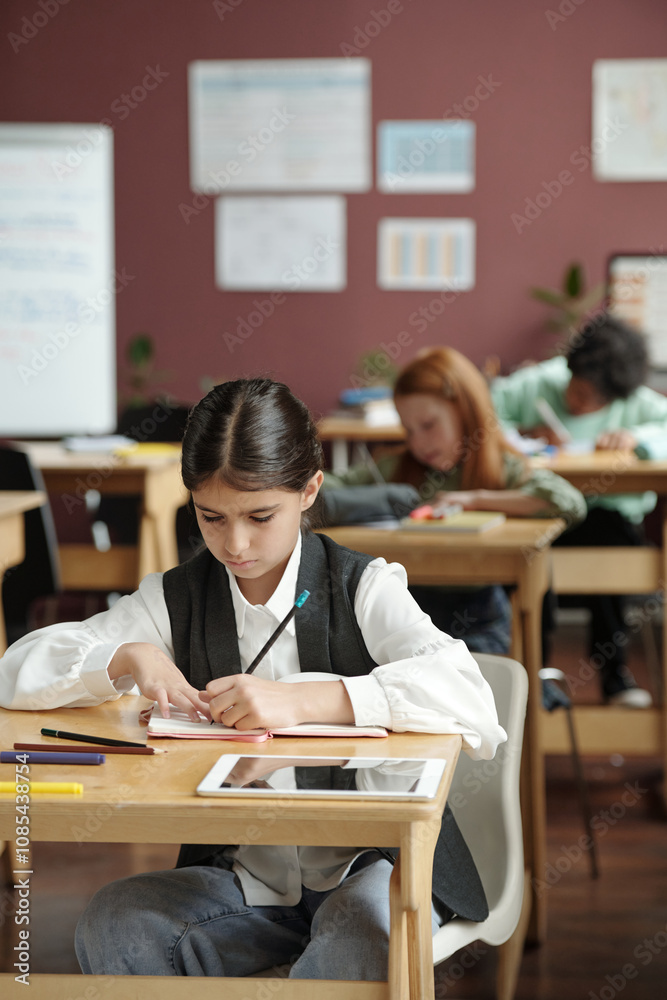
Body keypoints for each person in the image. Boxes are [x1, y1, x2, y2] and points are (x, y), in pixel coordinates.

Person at [0, 377, 507, 982]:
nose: (234, 544)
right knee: (116, 922)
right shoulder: (177, 596)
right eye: (211, 516)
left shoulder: (362, 586)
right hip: (245, 876)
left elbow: (468, 693)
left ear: (309, 489)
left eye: (260, 516)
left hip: (368, 864)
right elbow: (16, 671)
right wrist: (126, 657)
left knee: (364, 940)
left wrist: (304, 700)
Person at [324, 347, 586, 655]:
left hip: (478, 616)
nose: (418, 443)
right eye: (408, 431)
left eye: (429, 425)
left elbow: (568, 502)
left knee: (469, 682)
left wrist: (474, 500)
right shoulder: (396, 467)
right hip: (406, 611)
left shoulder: (503, 468)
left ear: (465, 411)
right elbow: (331, 486)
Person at [491, 313, 667, 708]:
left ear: (615, 398)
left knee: (612, 546)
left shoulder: (637, 404)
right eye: (574, 388)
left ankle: (614, 674)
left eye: (587, 399)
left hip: (605, 517)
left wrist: (635, 438)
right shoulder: (539, 383)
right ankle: (535, 674)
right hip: (544, 514)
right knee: (533, 552)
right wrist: (522, 436)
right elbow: (485, 414)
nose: (575, 400)